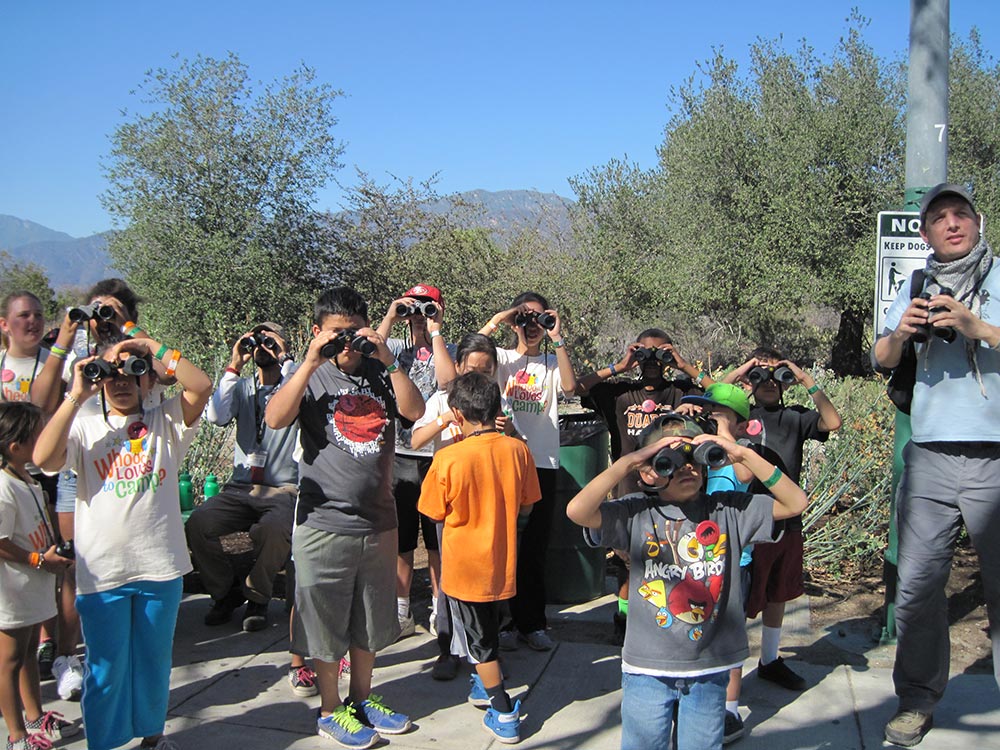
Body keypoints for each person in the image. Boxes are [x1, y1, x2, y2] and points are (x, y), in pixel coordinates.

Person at [566, 413, 808, 750]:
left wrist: (743, 454)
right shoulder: (636, 512)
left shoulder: (729, 510)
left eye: (693, 459)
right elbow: (577, 511)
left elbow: (796, 503)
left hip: (709, 667)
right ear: (649, 472)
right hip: (647, 668)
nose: (686, 468)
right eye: (671, 461)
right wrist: (628, 462)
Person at [33, 334, 213, 750]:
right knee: (106, 668)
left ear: (147, 379)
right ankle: (104, 743)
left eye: (133, 371)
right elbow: (42, 459)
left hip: (159, 567)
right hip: (104, 573)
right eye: (111, 374)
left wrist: (149, 344)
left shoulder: (166, 422)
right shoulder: (85, 428)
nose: (121, 381)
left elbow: (201, 385)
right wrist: (76, 394)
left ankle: (152, 737)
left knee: (153, 663)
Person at [265, 286, 424, 749]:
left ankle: (361, 699)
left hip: (378, 520)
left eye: (353, 332)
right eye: (336, 333)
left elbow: (414, 411)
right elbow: (275, 419)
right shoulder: (309, 375)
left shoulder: (380, 372)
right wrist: (309, 362)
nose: (346, 342)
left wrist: (388, 359)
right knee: (325, 624)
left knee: (369, 622)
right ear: (317, 332)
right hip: (324, 522)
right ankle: (330, 710)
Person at [873, 183, 1000, 747]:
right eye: (940, 217)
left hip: (996, 454)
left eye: (961, 214)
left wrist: (978, 328)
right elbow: (880, 357)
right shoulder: (915, 283)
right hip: (930, 455)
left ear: (977, 222)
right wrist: (902, 332)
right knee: (918, 588)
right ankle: (917, 701)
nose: (952, 223)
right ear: (925, 233)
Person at [185, 323, 318, 696]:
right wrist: (235, 362)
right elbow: (215, 416)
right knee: (199, 523)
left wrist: (285, 358)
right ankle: (226, 591)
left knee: (273, 529)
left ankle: (257, 597)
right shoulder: (242, 387)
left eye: (270, 341)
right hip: (241, 486)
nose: (263, 347)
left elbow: (305, 388)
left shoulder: (294, 385)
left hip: (283, 486)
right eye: (258, 341)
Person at [418, 371, 541, 744]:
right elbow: (528, 504)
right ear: (496, 408)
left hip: (464, 569)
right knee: (488, 631)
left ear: (457, 414)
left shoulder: (448, 458)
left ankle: (502, 711)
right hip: (503, 563)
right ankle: (483, 682)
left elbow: (432, 511)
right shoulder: (518, 450)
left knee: (480, 642)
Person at [577, 328, 713, 640]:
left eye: (660, 353)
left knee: (674, 558)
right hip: (630, 489)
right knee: (627, 562)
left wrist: (682, 364)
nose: (651, 360)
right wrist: (619, 367)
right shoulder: (620, 394)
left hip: (673, 491)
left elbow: (720, 393)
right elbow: (575, 387)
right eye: (644, 353)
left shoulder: (681, 392)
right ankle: (624, 620)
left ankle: (667, 618)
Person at [722, 346, 841, 692]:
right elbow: (715, 398)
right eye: (761, 375)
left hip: (786, 519)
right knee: (739, 598)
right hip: (748, 520)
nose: (769, 382)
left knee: (778, 592)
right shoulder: (740, 418)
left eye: (777, 375)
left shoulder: (795, 417)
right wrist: (742, 371)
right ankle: (727, 672)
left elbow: (833, 422)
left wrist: (805, 379)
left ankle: (769, 659)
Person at [480, 292, 577, 651]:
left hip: (541, 462)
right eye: (525, 318)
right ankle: (503, 623)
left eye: (540, 318)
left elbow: (569, 387)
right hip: (504, 460)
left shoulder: (551, 363)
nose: (532, 325)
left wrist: (557, 337)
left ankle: (532, 622)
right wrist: (500, 318)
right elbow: (472, 357)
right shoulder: (501, 359)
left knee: (535, 546)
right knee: (502, 545)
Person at [411, 333, 506, 681]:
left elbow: (515, 446)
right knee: (449, 579)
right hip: (450, 506)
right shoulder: (441, 399)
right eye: (471, 368)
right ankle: (448, 648)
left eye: (486, 369)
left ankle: (487, 654)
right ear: (458, 365)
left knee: (489, 580)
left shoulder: (495, 401)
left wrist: (507, 428)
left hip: (489, 503)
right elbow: (415, 440)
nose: (477, 375)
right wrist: (445, 420)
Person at [0, 290, 80, 697]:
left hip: (46, 474)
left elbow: (47, 404)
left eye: (37, 314)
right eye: (22, 316)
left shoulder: (54, 361)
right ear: (4, 324)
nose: (31, 322)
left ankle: (54, 645)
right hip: (6, 479)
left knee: (56, 561)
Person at [376, 284, 456, 638]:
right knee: (403, 539)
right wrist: (391, 316)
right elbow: (370, 351)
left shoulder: (449, 350)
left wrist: (435, 332)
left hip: (436, 454)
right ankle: (402, 610)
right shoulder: (395, 349)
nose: (420, 315)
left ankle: (440, 608)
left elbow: (447, 382)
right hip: (401, 454)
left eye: (429, 307)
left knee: (436, 540)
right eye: (415, 308)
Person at [679, 383, 756, 744]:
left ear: (740, 424)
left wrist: (725, 436)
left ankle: (731, 709)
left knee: (728, 635)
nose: (710, 419)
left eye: (718, 414)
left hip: (734, 560)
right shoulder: (702, 451)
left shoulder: (743, 452)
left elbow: (746, 475)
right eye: (707, 413)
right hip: (703, 556)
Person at [0, 401, 78, 749]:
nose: (46, 439)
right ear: (16, 447)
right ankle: (16, 736)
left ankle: (34, 716)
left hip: (33, 586)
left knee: (29, 652)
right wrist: (36, 559)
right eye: (38, 435)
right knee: (9, 661)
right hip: (12, 591)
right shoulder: (3, 487)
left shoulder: (27, 479)